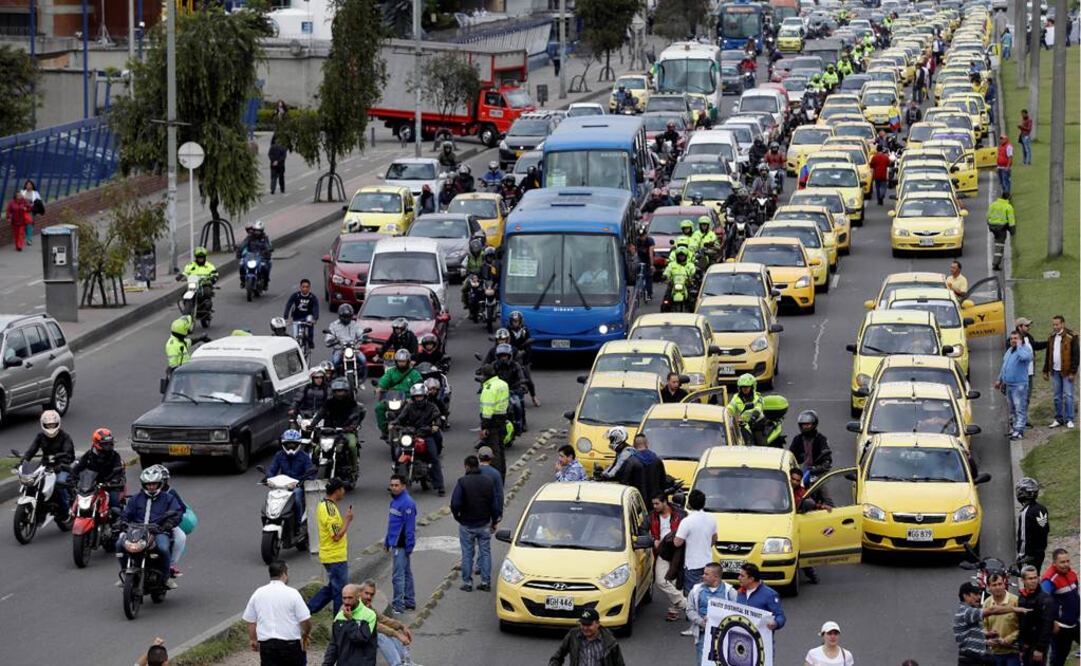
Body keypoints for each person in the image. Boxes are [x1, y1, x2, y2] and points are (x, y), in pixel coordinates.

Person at [117, 466, 182, 590]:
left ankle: (166, 577)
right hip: (136, 531)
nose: (151, 487)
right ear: (143, 484)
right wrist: (121, 522)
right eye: (148, 484)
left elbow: (177, 513)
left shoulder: (168, 498)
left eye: (154, 484)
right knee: (119, 544)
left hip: (158, 531)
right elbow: (126, 514)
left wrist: (167, 525)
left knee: (163, 548)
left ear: (160, 484)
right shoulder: (135, 499)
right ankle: (125, 573)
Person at [242, 560, 312, 666]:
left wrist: (253, 639)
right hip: (290, 644)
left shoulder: (258, 593)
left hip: (267, 645)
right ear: (284, 573)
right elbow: (305, 620)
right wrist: (306, 634)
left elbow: (251, 621)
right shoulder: (293, 593)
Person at [450, 455, 501, 592]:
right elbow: (494, 504)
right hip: (484, 523)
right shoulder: (487, 482)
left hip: (466, 524)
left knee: (467, 554)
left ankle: (467, 583)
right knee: (485, 553)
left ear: (466, 466)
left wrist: (457, 516)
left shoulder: (462, 482)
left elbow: (455, 503)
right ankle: (485, 582)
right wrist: (494, 521)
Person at [308, 478, 353, 616]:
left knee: (333, 588)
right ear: (337, 491)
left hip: (331, 556)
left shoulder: (323, 505)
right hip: (335, 557)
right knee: (341, 592)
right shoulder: (330, 509)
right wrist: (347, 520)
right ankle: (339, 620)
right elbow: (336, 536)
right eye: (342, 489)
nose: (344, 492)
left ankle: (307, 610)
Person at [957, 581, 1027, 666]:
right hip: (969, 660)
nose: (979, 597)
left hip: (976, 658)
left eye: (979, 594)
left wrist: (988, 634)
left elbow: (971, 634)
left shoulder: (968, 612)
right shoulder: (967, 612)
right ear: (965, 596)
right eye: (975, 594)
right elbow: (992, 610)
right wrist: (1014, 609)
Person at [392, 384, 445, 495]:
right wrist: (394, 423)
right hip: (411, 435)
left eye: (420, 396)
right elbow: (401, 418)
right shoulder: (409, 407)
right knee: (398, 453)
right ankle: (396, 482)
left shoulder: (432, 407)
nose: (419, 399)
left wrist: (436, 425)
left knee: (434, 457)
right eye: (416, 397)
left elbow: (437, 418)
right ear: (413, 397)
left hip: (426, 435)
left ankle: (440, 486)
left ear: (425, 396)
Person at [356, 580, 423, 666]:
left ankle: (405, 662)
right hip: (353, 639)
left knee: (392, 631)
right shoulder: (357, 606)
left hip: (363, 635)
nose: (369, 597)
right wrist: (397, 635)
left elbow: (383, 619)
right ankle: (397, 664)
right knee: (381, 635)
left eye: (371, 594)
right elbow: (376, 626)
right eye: (366, 593)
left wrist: (401, 626)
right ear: (360, 592)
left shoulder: (367, 605)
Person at [22, 410, 75, 515]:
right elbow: (32, 450)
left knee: (59, 484)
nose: (51, 427)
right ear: (43, 424)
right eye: (48, 425)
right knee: (31, 481)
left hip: (62, 465)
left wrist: (61, 462)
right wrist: (23, 461)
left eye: (53, 424)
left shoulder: (65, 437)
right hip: (45, 465)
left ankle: (67, 508)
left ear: (58, 423)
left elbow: (68, 453)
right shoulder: (40, 436)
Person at [648, 493, 687, 622]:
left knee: (675, 581)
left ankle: (673, 611)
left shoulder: (680, 514)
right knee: (660, 580)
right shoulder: (652, 515)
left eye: (657, 503)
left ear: (665, 502)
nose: (654, 506)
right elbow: (642, 529)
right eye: (653, 504)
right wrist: (653, 540)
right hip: (662, 552)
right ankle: (684, 604)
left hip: (678, 551)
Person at [687, 563, 737, 662]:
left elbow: (736, 612)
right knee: (702, 662)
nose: (703, 576)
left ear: (716, 577)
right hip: (703, 633)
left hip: (724, 635)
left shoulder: (730, 592)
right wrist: (702, 622)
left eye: (706, 574)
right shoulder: (696, 590)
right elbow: (689, 610)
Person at [313, 378, 364, 472]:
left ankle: (354, 467)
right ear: (333, 392)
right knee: (316, 449)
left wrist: (352, 426)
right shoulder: (329, 402)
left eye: (341, 391)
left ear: (346, 391)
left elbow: (356, 415)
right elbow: (320, 414)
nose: (339, 394)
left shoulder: (351, 403)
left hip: (346, 431)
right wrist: (312, 424)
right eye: (337, 391)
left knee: (352, 445)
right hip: (329, 432)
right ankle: (316, 468)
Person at [674, 489, 718, 596]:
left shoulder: (687, 521)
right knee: (706, 594)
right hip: (708, 563)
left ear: (689, 503)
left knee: (692, 596)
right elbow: (714, 538)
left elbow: (677, 542)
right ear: (704, 503)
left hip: (692, 564)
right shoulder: (712, 518)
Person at [384, 474, 417, 614]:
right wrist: (387, 541)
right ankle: (409, 601)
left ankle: (398, 605)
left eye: (396, 485)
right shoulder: (394, 501)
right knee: (406, 573)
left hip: (401, 545)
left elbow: (410, 528)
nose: (394, 488)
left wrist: (409, 546)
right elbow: (392, 524)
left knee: (398, 576)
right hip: (395, 543)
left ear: (403, 486)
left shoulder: (407, 503)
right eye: (392, 485)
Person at [323, 583, 378, 666]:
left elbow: (361, 639)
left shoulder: (369, 615)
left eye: (350, 598)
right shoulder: (339, 616)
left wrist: (350, 621)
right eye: (344, 598)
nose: (346, 601)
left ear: (358, 597)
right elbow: (334, 645)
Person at [1041, 549, 1080, 666]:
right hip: (1061, 628)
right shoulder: (1049, 580)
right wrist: (1052, 621)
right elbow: (1042, 603)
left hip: (1074, 623)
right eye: (1062, 562)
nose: (1066, 564)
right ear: (1054, 563)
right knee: (1058, 659)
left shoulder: (1071, 574)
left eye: (1067, 561)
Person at [73, 427, 126, 513]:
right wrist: (72, 477)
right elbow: (79, 467)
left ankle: (117, 519)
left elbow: (118, 469)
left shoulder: (115, 455)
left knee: (114, 504)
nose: (109, 446)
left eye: (110, 443)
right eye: (105, 444)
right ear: (97, 443)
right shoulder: (89, 455)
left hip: (109, 484)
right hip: (91, 486)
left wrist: (114, 480)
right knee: (75, 500)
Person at [548, 608, 626, 666]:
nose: (585, 628)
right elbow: (557, 657)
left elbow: (619, 664)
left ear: (597, 624)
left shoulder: (609, 641)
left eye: (589, 625)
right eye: (583, 624)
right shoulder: (573, 635)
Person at [267, 429, 316, 520]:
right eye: (288, 445)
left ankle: (299, 521)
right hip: (282, 486)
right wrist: (269, 479)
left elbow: (310, 474)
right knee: (269, 497)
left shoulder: (304, 457)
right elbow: (272, 470)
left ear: (298, 444)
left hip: (297, 486)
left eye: (293, 445)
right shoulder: (279, 455)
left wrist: (301, 482)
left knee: (296, 497)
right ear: (283, 444)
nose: (290, 447)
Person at [996, 331, 1034, 440]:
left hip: (1019, 385)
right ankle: (1014, 428)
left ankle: (1019, 431)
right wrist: (999, 379)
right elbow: (1004, 366)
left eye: (1016, 338)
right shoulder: (1009, 351)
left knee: (1019, 408)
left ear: (1020, 340)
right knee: (1012, 409)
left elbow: (1025, 358)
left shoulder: (1025, 350)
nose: (1013, 340)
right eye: (1012, 338)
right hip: (1009, 385)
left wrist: (1019, 346)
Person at [376, 350, 421, 437]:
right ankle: (385, 430)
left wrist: (414, 396)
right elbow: (384, 381)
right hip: (392, 396)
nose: (401, 363)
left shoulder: (414, 373)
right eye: (399, 361)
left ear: (408, 361)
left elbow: (419, 384)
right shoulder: (391, 372)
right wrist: (380, 388)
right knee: (379, 407)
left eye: (403, 361)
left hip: (408, 398)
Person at [1043, 315, 1078, 429]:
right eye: (1053, 324)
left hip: (1067, 372)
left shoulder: (1071, 336)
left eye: (1057, 324)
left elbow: (1076, 356)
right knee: (1057, 396)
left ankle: (1069, 419)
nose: (1055, 327)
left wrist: (1073, 372)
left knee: (1068, 395)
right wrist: (1045, 370)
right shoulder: (1051, 337)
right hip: (1055, 371)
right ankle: (1058, 418)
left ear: (1063, 324)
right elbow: (1048, 354)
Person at [477, 364, 510, 479]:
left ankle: (496, 478)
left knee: (493, 452)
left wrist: (484, 427)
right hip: (502, 420)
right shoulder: (503, 384)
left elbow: (487, 411)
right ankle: (502, 477)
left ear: (485, 376)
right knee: (500, 451)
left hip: (492, 423)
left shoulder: (489, 388)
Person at [1019, 566, 1056, 666]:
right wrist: (1021, 645)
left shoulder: (1046, 599)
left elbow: (1047, 625)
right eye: (1030, 578)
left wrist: (1040, 649)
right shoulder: (1021, 597)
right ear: (1023, 580)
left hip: (1037, 646)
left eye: (1035, 578)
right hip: (1024, 646)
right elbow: (1021, 622)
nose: (1034, 581)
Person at [984, 572, 1023, 666]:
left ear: (1004, 584)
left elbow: (1023, 626)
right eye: (994, 585)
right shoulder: (987, 603)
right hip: (995, 653)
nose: (998, 587)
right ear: (989, 587)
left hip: (1013, 651)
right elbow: (983, 626)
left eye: (1000, 584)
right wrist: (988, 641)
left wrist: (1008, 639)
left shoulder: (1015, 601)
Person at [736, 563, 785, 632]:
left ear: (751, 579)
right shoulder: (739, 592)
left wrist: (776, 623)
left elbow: (780, 616)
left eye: (742, 576)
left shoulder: (770, 594)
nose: (739, 578)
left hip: (762, 637)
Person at [1016, 478, 1051, 571]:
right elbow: (1045, 529)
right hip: (1040, 553)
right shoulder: (1042, 509)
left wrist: (1021, 555)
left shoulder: (1026, 513)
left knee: (1029, 578)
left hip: (1028, 556)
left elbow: (1024, 536)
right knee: (1036, 576)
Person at [629, 434, 666, 505]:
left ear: (634, 445)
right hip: (654, 502)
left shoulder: (631, 461)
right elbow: (663, 482)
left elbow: (625, 481)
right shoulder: (657, 460)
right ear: (647, 444)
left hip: (637, 502)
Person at [237, 220, 273, 286]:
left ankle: (265, 281)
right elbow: (243, 244)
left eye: (259, 231)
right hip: (250, 256)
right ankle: (243, 280)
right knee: (241, 265)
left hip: (262, 257)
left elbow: (268, 246)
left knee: (265, 267)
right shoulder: (250, 237)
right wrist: (239, 251)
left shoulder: (265, 238)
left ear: (262, 231)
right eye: (256, 230)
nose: (257, 232)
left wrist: (268, 250)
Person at [20, 179, 42, 246]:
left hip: (31, 211)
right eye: (27, 185)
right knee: (24, 225)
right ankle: (26, 237)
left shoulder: (35, 193)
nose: (28, 186)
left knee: (29, 225)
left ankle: (29, 239)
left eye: (30, 185)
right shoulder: (22, 192)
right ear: (25, 185)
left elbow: (39, 202)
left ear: (32, 186)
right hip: (22, 211)